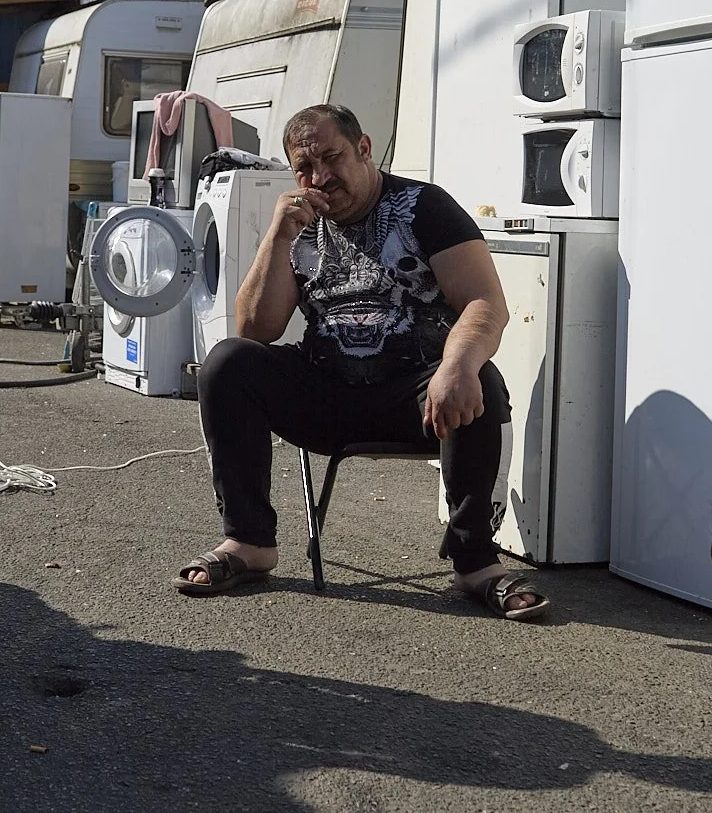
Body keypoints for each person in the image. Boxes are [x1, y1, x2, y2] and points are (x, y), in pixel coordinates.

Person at [175, 104, 549, 621]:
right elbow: (256, 329)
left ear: (364, 149)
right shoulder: (299, 227)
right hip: (327, 395)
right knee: (228, 362)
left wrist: (456, 364)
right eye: (305, 168)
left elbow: (485, 302)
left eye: (332, 158)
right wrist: (277, 237)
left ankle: (475, 562)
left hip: (416, 398)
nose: (320, 178)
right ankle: (249, 541)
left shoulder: (424, 207)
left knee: (477, 375)